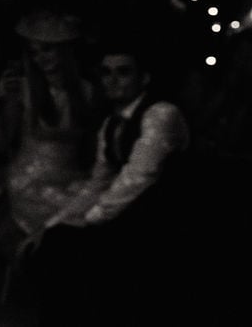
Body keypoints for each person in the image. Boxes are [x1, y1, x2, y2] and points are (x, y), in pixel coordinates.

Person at [22, 37, 192, 325]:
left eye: (123, 72)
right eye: (106, 72)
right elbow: (99, 181)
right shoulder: (112, 123)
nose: (113, 80)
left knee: (76, 249)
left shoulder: (161, 113)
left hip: (164, 219)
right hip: (130, 214)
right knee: (54, 240)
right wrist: (57, 222)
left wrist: (89, 219)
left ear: (144, 77)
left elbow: (137, 178)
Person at [0, 8, 99, 256]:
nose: (40, 59)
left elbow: (90, 147)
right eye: (34, 52)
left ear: (64, 51)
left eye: (46, 50)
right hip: (29, 181)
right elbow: (1, 142)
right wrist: (2, 104)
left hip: (73, 177)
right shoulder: (23, 88)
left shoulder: (86, 90)